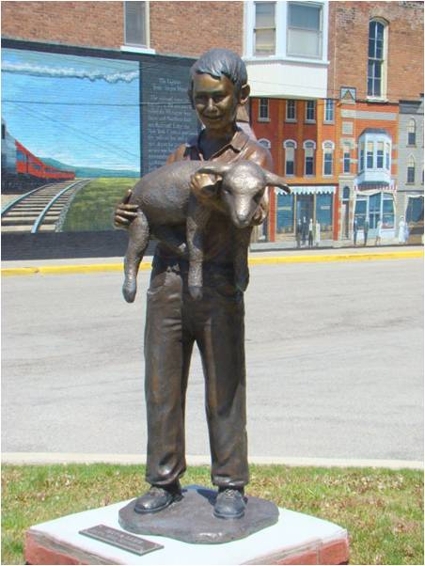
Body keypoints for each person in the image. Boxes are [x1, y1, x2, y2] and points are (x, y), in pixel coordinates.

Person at [114, 48, 273, 520]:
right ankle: (163, 479)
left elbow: (252, 215)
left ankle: (230, 483)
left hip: (219, 285)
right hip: (166, 281)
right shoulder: (181, 154)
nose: (209, 107)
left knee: (225, 384)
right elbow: (155, 204)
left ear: (241, 96)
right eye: (199, 99)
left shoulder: (253, 157)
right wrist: (127, 214)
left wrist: (213, 190)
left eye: (219, 98)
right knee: (161, 385)